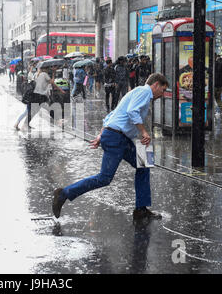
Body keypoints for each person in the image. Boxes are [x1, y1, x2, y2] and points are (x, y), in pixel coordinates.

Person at [52, 73, 169, 221]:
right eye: (163, 90)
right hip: (116, 138)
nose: (162, 94)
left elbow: (112, 115)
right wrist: (143, 131)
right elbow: (132, 112)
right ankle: (63, 194)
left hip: (118, 137)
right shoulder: (145, 92)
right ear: (156, 84)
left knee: (143, 165)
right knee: (104, 178)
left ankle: (141, 209)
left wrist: (102, 135)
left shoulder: (136, 92)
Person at [14, 63, 37, 130]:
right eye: (32, 67)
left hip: (31, 96)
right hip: (30, 96)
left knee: (27, 112)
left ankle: (26, 124)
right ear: (30, 68)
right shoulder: (30, 74)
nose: (33, 69)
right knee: (26, 112)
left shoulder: (31, 74)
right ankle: (17, 124)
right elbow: (32, 83)